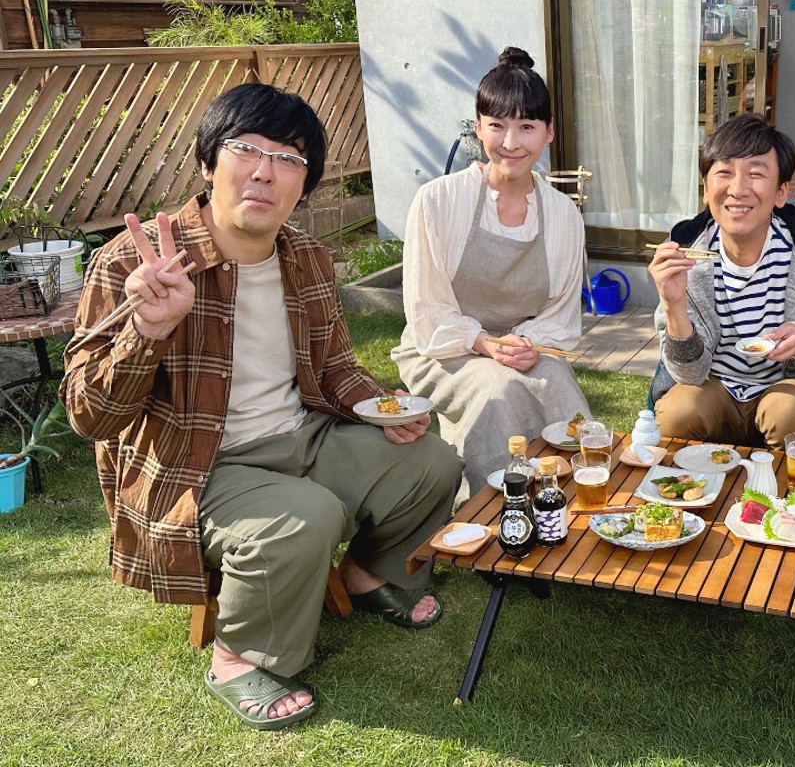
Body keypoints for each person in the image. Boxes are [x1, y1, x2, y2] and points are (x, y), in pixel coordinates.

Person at [61, 84, 462, 730]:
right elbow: (89, 416)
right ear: (208, 162)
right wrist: (147, 331)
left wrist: (382, 407)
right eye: (245, 149)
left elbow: (335, 368)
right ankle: (237, 656)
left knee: (433, 462)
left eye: (288, 158)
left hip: (301, 436)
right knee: (303, 518)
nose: (265, 171)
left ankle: (367, 574)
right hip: (198, 466)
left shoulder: (306, 258)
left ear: (305, 183)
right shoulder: (138, 264)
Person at [391, 46, 591, 498]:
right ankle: (496, 514)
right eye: (497, 125)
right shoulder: (438, 201)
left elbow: (561, 313)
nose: (511, 142)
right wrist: (483, 342)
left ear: (549, 132)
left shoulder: (563, 214)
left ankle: (573, 501)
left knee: (558, 382)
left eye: (527, 127)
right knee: (499, 388)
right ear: (478, 127)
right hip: (443, 347)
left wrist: (526, 342)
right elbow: (427, 308)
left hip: (524, 345)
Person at [647, 114, 795, 448]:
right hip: (713, 385)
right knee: (679, 412)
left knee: (787, 413)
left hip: (787, 386)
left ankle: (787, 483)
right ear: (706, 189)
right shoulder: (685, 249)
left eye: (756, 174)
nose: (738, 189)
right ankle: (689, 481)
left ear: (781, 192)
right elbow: (688, 375)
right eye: (724, 173)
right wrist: (674, 306)